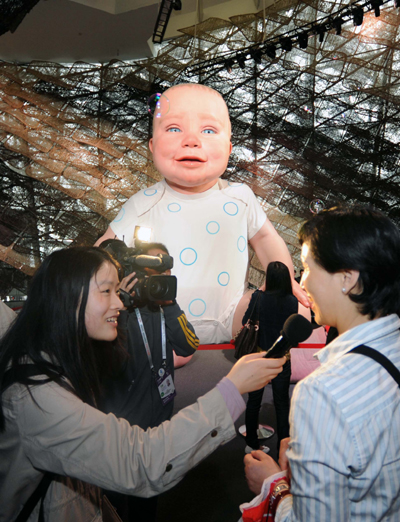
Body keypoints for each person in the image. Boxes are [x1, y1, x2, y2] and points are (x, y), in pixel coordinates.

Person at [0, 246, 285, 522]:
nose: (119, 302)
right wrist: (230, 390)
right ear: (68, 297)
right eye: (107, 291)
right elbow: (141, 461)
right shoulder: (34, 396)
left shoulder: (53, 359)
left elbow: (188, 344)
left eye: (118, 290)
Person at [95, 83, 309, 346]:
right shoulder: (143, 203)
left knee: (295, 307)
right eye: (174, 129)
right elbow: (100, 254)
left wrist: (283, 280)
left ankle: (259, 345)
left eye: (208, 130)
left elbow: (265, 238)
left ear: (229, 149)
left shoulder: (240, 197)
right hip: (161, 314)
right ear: (152, 146)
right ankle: (167, 348)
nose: (192, 140)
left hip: (234, 314)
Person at [243, 205, 400, 521]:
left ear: (348, 279)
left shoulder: (322, 392)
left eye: (308, 268)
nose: (304, 282)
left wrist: (273, 486)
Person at [99, 242, 198, 521]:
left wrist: (170, 305)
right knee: (115, 502)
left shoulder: (164, 305)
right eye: (150, 271)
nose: (158, 279)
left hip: (159, 422)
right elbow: (104, 363)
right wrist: (121, 307)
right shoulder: (116, 310)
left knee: (148, 498)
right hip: (121, 428)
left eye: (163, 272)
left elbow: (189, 345)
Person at [242, 262, 310, 455]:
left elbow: (244, 321)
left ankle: (252, 444)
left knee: (254, 401)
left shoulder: (258, 298)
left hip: (259, 356)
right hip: (282, 358)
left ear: (268, 277)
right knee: (282, 403)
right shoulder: (292, 301)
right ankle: (284, 444)